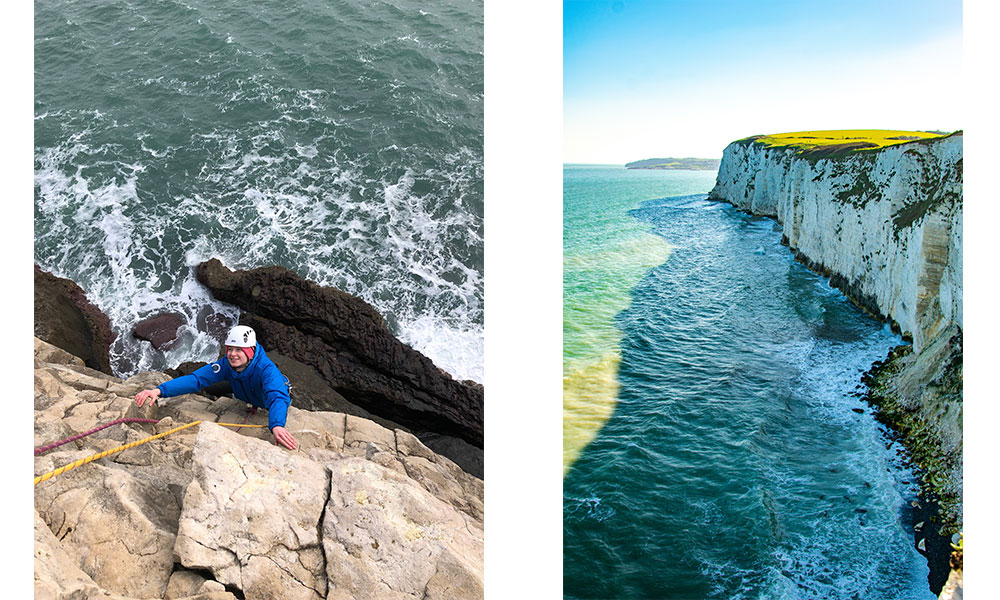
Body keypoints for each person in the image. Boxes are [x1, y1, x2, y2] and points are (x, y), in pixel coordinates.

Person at [134, 325, 298, 450]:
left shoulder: (267, 371)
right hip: (243, 389)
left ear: (251, 351)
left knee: (262, 392)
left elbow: (277, 396)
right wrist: (159, 391)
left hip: (264, 398)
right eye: (230, 349)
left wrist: (276, 425)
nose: (232, 354)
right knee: (210, 389)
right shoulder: (227, 365)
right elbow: (196, 379)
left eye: (239, 350)